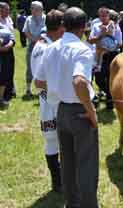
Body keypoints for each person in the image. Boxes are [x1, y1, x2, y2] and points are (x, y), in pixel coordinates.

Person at [43, 7, 99, 207]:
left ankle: (72, 203)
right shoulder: (82, 49)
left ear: (64, 25)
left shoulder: (50, 47)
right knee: (86, 164)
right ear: (84, 27)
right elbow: (79, 82)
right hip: (79, 111)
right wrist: (91, 111)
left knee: (67, 162)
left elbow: (39, 81)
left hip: (60, 109)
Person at [31, 9, 65, 192]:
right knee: (53, 140)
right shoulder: (45, 48)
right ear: (60, 27)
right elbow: (40, 82)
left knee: (54, 140)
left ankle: (59, 181)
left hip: (50, 101)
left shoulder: (43, 44)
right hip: (51, 102)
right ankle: (58, 182)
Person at [89, 7, 122, 110]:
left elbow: (120, 43)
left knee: (110, 78)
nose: (102, 18)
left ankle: (109, 102)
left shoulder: (115, 26)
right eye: (100, 16)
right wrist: (101, 35)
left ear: (108, 16)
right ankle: (109, 95)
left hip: (111, 55)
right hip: (99, 55)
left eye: (104, 15)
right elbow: (90, 40)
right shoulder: (95, 26)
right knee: (98, 79)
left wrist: (109, 48)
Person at [23, 1, 46, 97]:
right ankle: (28, 89)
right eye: (32, 8)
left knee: (43, 66)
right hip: (32, 45)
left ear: (41, 10)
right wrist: (34, 40)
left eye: (35, 9)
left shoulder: (46, 18)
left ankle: (42, 89)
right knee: (30, 66)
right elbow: (26, 31)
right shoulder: (28, 19)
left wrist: (40, 40)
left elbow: (48, 30)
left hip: (44, 45)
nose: (33, 11)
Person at [0, 2, 15, 107]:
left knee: (8, 71)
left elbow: (12, 35)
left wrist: (10, 45)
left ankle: (7, 94)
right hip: (1, 50)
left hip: (8, 50)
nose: (8, 11)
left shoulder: (9, 19)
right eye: (6, 9)